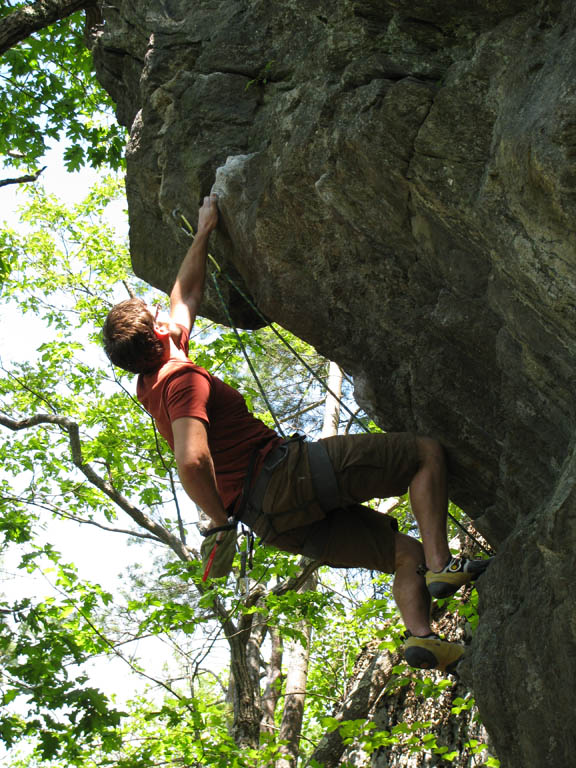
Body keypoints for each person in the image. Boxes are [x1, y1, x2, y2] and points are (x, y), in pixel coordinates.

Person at [102, 194, 489, 674]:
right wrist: (216, 522)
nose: (165, 312)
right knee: (422, 454)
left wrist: (204, 231)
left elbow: (185, 296)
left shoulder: (153, 377)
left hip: (274, 523)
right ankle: (442, 565)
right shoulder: (183, 382)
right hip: (283, 476)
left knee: (399, 552)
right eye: (157, 316)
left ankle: (423, 638)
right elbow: (191, 460)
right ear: (157, 335)